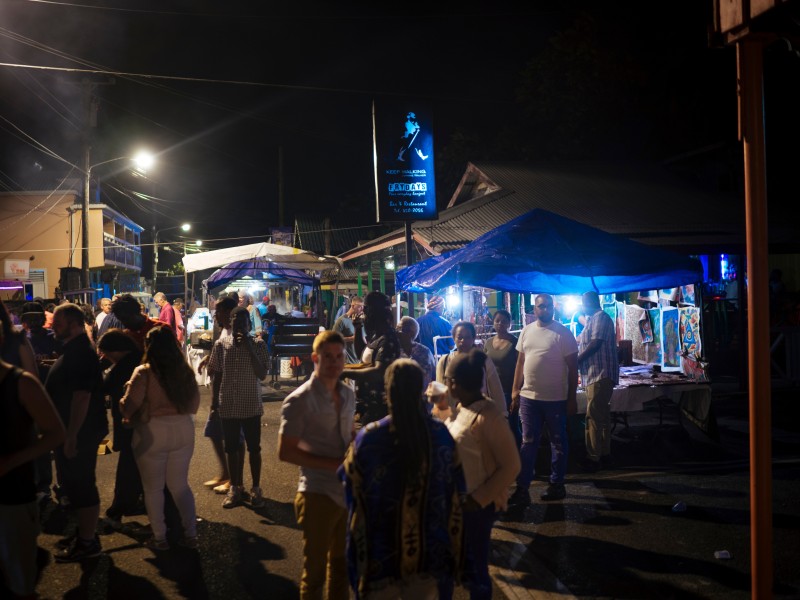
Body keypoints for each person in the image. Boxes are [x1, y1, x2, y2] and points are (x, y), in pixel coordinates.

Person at [339, 359, 465, 599]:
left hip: (379, 556)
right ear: (422, 389)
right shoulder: (441, 435)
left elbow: (349, 486)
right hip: (430, 556)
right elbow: (457, 493)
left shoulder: (370, 438)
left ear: (388, 392)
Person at [278, 330, 355, 600]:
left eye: (339, 357)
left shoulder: (347, 394)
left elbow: (346, 436)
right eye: (328, 357)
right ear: (315, 358)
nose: (334, 363)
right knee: (315, 574)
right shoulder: (299, 400)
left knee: (342, 569)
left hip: (346, 492)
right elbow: (286, 452)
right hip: (316, 493)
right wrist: (334, 464)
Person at [443, 349, 520, 600]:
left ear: (455, 384)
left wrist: (478, 499)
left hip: (476, 507)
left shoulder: (489, 415)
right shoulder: (463, 409)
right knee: (459, 567)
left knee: (475, 570)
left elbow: (511, 466)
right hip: (460, 504)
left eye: (448, 380)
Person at [0, 319, 66, 600]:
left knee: (17, 580)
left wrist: (11, 462)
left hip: (12, 495)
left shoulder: (22, 383)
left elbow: (55, 433)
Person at [120, 326, 200, 551]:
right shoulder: (184, 371)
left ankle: (160, 537)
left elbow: (128, 407)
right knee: (180, 486)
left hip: (152, 431)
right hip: (183, 429)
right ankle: (191, 534)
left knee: (153, 488)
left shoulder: (144, 372)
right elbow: (194, 405)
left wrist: (126, 391)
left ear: (148, 346)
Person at [46, 303, 109, 562]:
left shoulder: (81, 352)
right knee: (75, 484)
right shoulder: (76, 348)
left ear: (73, 324)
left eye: (57, 324)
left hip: (80, 432)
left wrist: (71, 435)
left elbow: (81, 397)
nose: (52, 327)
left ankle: (88, 542)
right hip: (73, 430)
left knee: (82, 484)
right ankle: (86, 534)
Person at [508, 293, 578, 508]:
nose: (544, 309)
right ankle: (522, 489)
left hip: (555, 398)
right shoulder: (527, 331)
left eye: (547, 306)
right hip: (529, 398)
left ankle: (557, 484)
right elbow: (520, 362)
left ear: (553, 308)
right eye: (540, 306)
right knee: (528, 442)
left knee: (558, 441)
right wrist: (515, 390)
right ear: (534, 308)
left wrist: (571, 399)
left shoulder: (564, 334)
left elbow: (573, 369)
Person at [208, 306, 269, 508]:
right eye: (235, 320)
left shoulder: (259, 344)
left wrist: (250, 349)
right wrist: (214, 403)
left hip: (251, 404)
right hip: (228, 404)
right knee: (231, 448)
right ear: (231, 322)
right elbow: (216, 375)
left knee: (254, 448)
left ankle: (257, 488)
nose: (239, 324)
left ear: (249, 325)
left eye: (243, 321)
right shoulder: (221, 344)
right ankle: (235, 487)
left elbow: (262, 374)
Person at [96, 329, 144, 530]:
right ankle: (140, 503)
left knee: (127, 468)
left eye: (106, 353)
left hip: (129, 422)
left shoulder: (125, 365)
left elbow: (104, 386)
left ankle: (117, 511)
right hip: (140, 423)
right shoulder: (137, 357)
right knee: (139, 466)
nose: (105, 357)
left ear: (116, 350)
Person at [341, 291, 401, 425]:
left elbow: (379, 372)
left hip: (381, 409)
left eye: (366, 310)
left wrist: (345, 372)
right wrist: (357, 328)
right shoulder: (377, 336)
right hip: (369, 406)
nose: (364, 314)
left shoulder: (388, 338)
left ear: (375, 313)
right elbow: (361, 355)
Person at [576, 291, 619, 472]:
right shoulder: (592, 319)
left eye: (583, 303)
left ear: (590, 302)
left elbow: (595, 344)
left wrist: (577, 359)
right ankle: (604, 454)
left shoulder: (601, 317)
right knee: (601, 417)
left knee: (593, 417)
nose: (582, 306)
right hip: (594, 375)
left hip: (599, 374)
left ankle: (594, 457)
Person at [436, 321, 507, 417]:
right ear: (453, 338)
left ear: (473, 338)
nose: (463, 341)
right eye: (459, 337)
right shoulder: (444, 361)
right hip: (453, 418)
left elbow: (496, 388)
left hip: (480, 416)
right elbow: (440, 392)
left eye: (467, 337)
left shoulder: (483, 361)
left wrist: (503, 413)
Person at [483, 309, 521, 450]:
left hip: (508, 391)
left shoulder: (515, 343)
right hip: (491, 391)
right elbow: (483, 365)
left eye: (504, 321)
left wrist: (517, 392)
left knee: (511, 425)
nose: (500, 324)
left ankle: (519, 460)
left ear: (509, 324)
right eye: (497, 321)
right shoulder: (488, 342)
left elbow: (520, 367)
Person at [396, 315, 436, 390]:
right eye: (397, 328)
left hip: (421, 398)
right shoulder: (392, 350)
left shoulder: (425, 352)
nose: (399, 332)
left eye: (402, 329)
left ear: (411, 333)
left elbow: (433, 377)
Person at [332, 295, 363, 364]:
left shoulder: (361, 321)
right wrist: (350, 338)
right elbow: (333, 339)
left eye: (363, 307)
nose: (362, 309)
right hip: (348, 363)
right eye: (360, 306)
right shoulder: (341, 321)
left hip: (360, 362)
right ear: (352, 306)